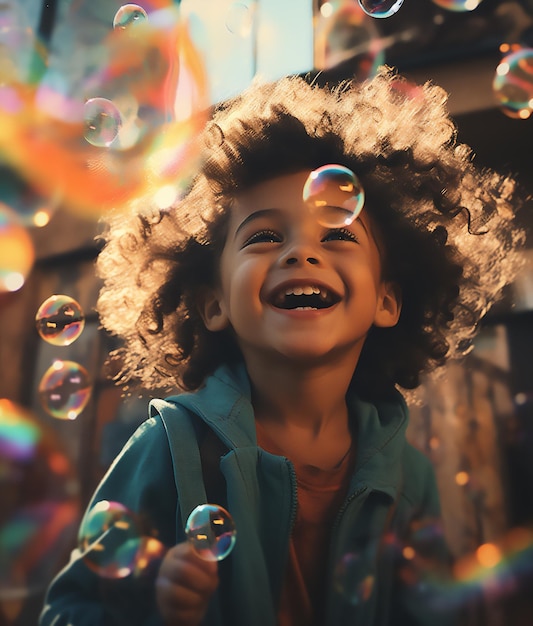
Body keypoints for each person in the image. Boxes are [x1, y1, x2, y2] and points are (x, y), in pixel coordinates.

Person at [39, 67, 524, 626]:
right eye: (265, 237)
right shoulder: (171, 448)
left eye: (338, 234)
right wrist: (153, 608)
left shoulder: (406, 476)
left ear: (388, 300)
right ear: (213, 303)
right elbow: (70, 610)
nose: (301, 254)